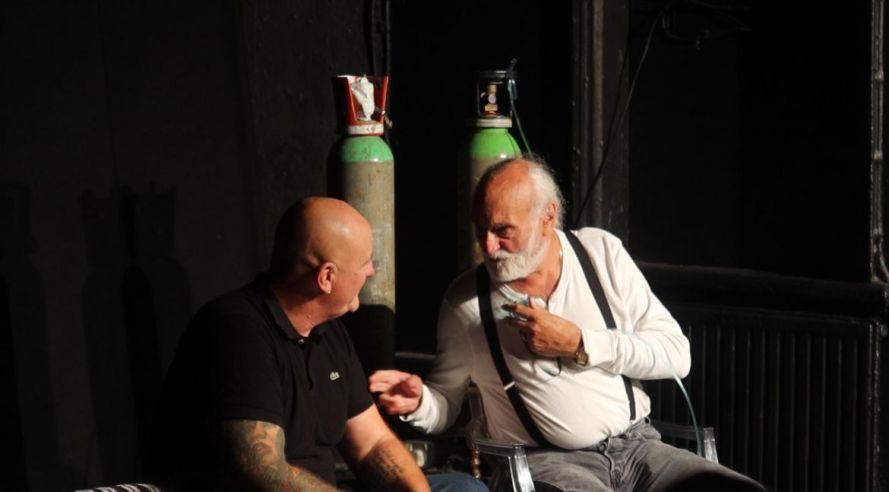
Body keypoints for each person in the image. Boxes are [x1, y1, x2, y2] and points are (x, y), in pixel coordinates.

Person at [369, 159, 764, 491]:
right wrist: (420, 403)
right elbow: (446, 405)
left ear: (547, 218)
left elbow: (678, 356)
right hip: (545, 463)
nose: (487, 247)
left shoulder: (599, 253)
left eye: (503, 231)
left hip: (641, 446)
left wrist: (581, 343)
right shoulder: (465, 302)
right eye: (481, 230)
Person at [148, 197, 486, 491]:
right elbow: (262, 470)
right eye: (365, 262)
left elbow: (372, 444)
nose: (370, 271)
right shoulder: (236, 329)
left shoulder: (329, 333)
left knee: (463, 487)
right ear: (326, 277)